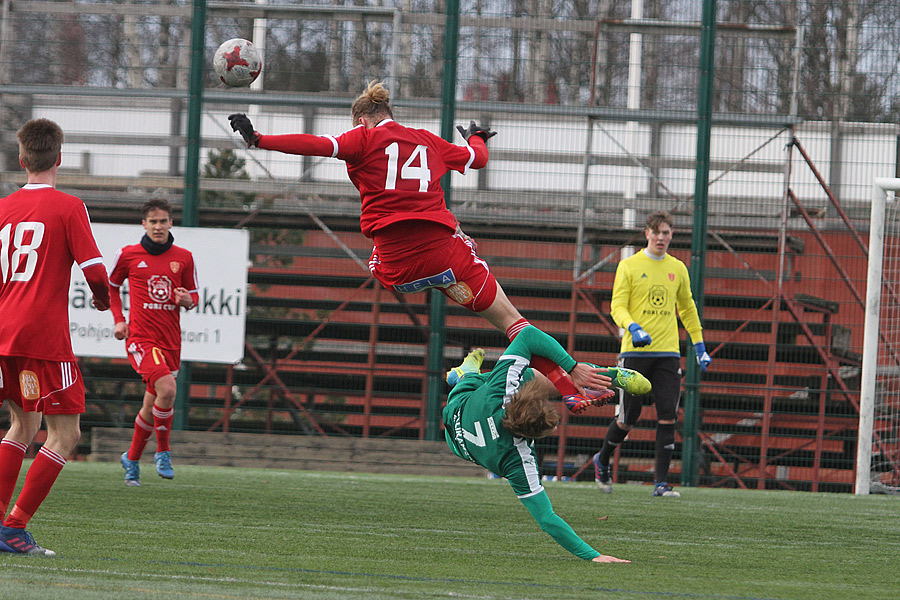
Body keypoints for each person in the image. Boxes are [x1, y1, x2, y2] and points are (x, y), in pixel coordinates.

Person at [227, 80, 615, 407]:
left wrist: (260, 138)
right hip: (445, 254)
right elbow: (478, 160)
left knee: (379, 261)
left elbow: (313, 144)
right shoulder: (428, 140)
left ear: (362, 120)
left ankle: (570, 389)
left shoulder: (361, 138)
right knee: (515, 324)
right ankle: (570, 387)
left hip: (396, 265)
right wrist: (476, 136)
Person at [0, 118, 111, 555]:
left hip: (5, 335)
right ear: (59, 160)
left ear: (22, 160)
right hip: (44, 339)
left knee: (22, 424)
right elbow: (96, 273)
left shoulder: (4, 208)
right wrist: (103, 301)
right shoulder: (68, 207)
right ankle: (14, 527)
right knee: (66, 435)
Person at [443, 325, 630, 563]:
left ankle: (575, 383)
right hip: (461, 437)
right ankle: (589, 380)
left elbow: (547, 518)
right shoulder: (516, 458)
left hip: (460, 401)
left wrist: (572, 366)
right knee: (531, 376)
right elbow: (546, 520)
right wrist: (594, 556)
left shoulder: (504, 407)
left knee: (521, 376)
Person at [594, 211, 712, 498]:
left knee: (668, 415)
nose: (661, 237)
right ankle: (603, 458)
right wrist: (632, 327)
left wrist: (699, 346)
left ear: (672, 236)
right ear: (646, 233)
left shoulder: (678, 268)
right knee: (628, 418)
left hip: (668, 353)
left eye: (666, 233)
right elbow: (617, 306)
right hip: (635, 353)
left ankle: (661, 484)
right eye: (656, 232)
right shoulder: (630, 266)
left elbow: (687, 309)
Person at [109, 198, 198, 486]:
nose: (158, 226)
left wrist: (187, 301)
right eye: (153, 221)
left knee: (152, 405)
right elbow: (111, 287)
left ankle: (131, 459)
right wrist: (119, 320)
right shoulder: (128, 255)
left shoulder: (183, 257)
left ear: (171, 222)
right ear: (143, 224)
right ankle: (163, 451)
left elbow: (193, 296)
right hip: (141, 338)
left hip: (170, 341)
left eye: (163, 221)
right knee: (168, 389)